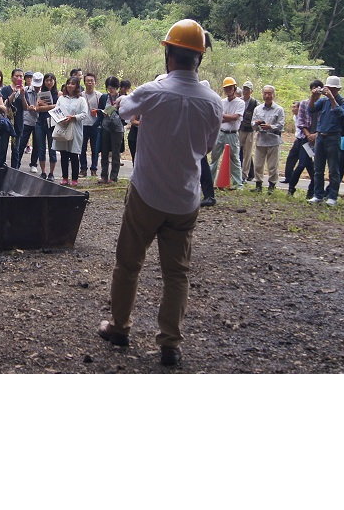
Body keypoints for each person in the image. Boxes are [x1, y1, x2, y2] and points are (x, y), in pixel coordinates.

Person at [97, 19, 221, 367]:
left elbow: (122, 110)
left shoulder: (152, 91)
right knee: (177, 273)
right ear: (200, 59)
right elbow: (207, 148)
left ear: (168, 53)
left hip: (147, 193)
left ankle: (120, 327)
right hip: (185, 199)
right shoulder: (212, 101)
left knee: (128, 264)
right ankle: (170, 343)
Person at [309, 75, 344, 205]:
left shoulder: (343, 102)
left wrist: (331, 98)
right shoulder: (323, 101)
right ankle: (318, 195)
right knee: (318, 168)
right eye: (328, 88)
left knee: (333, 169)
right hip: (320, 136)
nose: (329, 90)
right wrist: (313, 96)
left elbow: (340, 114)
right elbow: (311, 109)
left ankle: (332, 196)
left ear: (337, 89)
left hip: (333, 137)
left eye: (332, 88)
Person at [51, 76, 90, 185]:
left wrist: (73, 117)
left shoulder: (81, 100)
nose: (70, 86)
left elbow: (84, 114)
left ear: (77, 86)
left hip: (75, 129)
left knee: (73, 154)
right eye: (68, 83)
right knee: (63, 154)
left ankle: (74, 179)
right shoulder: (61, 98)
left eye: (72, 84)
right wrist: (61, 118)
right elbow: (56, 111)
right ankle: (64, 177)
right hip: (63, 127)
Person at [209, 77, 244, 189]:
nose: (228, 90)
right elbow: (216, 118)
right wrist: (224, 117)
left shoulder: (240, 103)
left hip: (232, 134)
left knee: (234, 159)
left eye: (230, 87)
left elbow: (235, 117)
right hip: (221, 132)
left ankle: (238, 184)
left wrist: (222, 115)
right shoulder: (221, 102)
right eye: (226, 88)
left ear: (235, 88)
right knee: (214, 158)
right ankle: (210, 182)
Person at [251, 84, 284, 192]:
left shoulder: (279, 109)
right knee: (258, 165)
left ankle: (271, 186)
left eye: (269, 93)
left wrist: (270, 127)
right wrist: (256, 124)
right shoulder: (257, 109)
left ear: (273, 95)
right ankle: (258, 185)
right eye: (265, 93)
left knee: (273, 165)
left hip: (273, 140)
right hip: (261, 139)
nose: (267, 95)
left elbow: (281, 125)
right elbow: (252, 124)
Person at [98, 76, 125, 184]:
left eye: (113, 88)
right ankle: (103, 175)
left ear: (117, 88)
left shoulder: (122, 98)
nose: (111, 91)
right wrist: (101, 112)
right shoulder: (104, 97)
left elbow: (125, 114)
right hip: (105, 127)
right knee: (104, 152)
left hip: (117, 128)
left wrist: (117, 110)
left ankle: (113, 177)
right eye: (109, 88)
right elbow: (100, 111)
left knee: (115, 152)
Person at [33, 72, 58, 180]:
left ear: (54, 81)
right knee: (41, 148)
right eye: (47, 80)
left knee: (52, 149)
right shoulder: (40, 93)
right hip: (40, 123)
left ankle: (51, 173)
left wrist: (46, 106)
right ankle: (43, 172)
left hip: (52, 124)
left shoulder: (59, 94)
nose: (49, 82)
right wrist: (51, 107)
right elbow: (37, 108)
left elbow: (59, 108)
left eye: (51, 80)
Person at [16, 72, 42, 172]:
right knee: (22, 143)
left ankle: (34, 164)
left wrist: (39, 107)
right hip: (26, 120)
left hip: (38, 121)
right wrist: (29, 107)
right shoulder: (26, 90)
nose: (37, 87)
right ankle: (17, 163)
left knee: (37, 144)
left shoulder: (43, 92)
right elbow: (20, 101)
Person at [80, 72, 104, 178]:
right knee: (82, 148)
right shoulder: (81, 95)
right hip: (83, 124)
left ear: (95, 82)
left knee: (95, 148)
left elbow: (105, 110)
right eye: (87, 81)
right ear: (84, 82)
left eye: (91, 81)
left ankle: (94, 169)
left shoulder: (100, 95)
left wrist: (98, 111)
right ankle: (83, 169)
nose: (89, 83)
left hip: (95, 125)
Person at [239, 80, 258, 183]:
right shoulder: (239, 101)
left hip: (250, 131)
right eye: (244, 89)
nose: (245, 91)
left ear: (252, 91)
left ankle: (244, 175)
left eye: (247, 89)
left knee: (247, 153)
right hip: (240, 130)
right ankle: (235, 173)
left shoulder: (255, 103)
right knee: (236, 151)